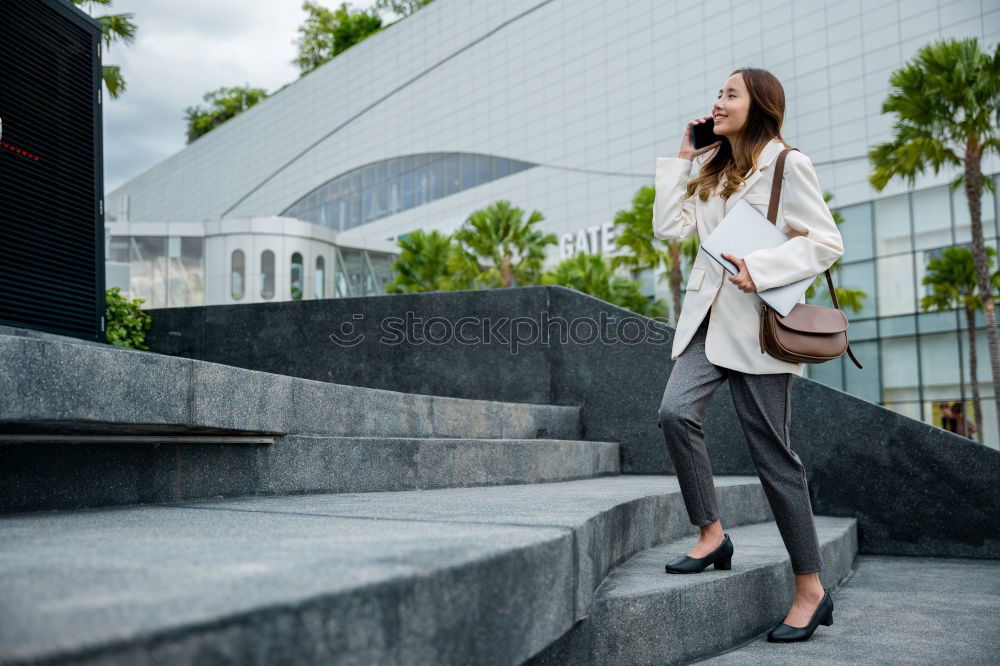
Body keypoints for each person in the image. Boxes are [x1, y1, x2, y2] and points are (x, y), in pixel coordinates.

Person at [653, 67, 845, 643]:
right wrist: (683, 158)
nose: (717, 102)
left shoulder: (787, 164)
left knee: (773, 459)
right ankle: (712, 533)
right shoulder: (712, 169)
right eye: (716, 93)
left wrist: (760, 269)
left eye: (729, 94)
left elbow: (826, 241)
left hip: (759, 328)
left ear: (758, 105)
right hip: (706, 325)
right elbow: (670, 228)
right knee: (674, 413)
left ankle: (810, 590)